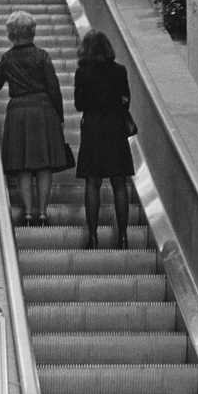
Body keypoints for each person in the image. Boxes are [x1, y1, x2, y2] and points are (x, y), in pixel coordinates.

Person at [0, 11, 74, 226]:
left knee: (23, 165)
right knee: (44, 166)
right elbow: (54, 87)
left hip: (18, 112)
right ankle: (42, 213)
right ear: (32, 32)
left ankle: (26, 213)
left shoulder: (7, 58)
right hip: (43, 110)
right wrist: (59, 116)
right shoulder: (42, 56)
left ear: (10, 34)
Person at [74, 29, 135, 248]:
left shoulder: (82, 73)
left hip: (92, 129)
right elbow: (126, 101)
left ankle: (92, 235)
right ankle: (123, 236)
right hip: (115, 128)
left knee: (93, 182)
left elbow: (79, 104)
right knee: (119, 182)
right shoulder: (120, 71)